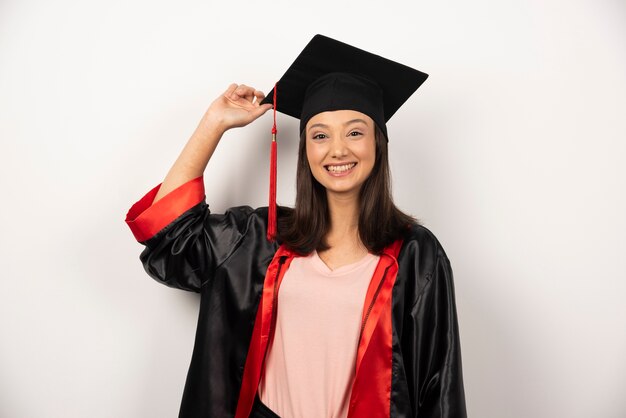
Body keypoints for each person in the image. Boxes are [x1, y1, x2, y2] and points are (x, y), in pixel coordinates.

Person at [125, 34, 467, 418]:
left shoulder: (417, 255)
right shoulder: (260, 237)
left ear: (378, 144)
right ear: (305, 149)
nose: (338, 149)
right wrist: (214, 123)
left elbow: (439, 385)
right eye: (320, 135)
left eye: (355, 132)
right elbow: (168, 235)